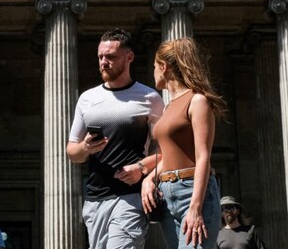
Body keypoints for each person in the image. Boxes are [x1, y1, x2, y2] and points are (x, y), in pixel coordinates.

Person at [67, 29, 165, 249]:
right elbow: (72, 152)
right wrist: (85, 147)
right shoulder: (87, 98)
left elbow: (166, 150)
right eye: (101, 56)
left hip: (130, 197)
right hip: (95, 200)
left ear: (129, 57)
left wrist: (141, 167)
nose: (104, 62)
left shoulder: (150, 98)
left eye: (111, 57)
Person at [141, 38, 226, 249]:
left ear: (164, 67)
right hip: (167, 193)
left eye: (154, 67)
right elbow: (169, 155)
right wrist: (150, 179)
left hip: (192, 192)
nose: (153, 73)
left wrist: (195, 207)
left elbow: (203, 156)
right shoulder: (169, 107)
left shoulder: (197, 100)